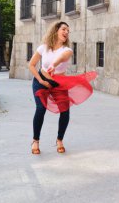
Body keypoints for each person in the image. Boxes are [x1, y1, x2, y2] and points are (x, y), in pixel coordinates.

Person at [29, 21, 96, 154]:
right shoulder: (44, 47)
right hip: (40, 81)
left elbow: (63, 57)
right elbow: (31, 65)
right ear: (56, 30)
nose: (66, 32)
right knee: (40, 109)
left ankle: (59, 139)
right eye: (64, 29)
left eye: (68, 31)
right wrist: (41, 81)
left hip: (58, 83)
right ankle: (35, 141)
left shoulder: (67, 50)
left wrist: (54, 64)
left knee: (65, 111)